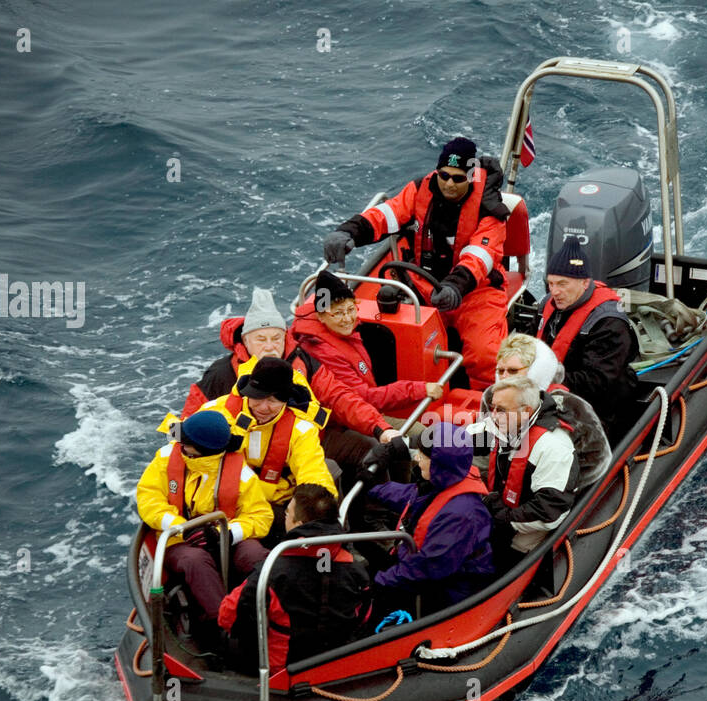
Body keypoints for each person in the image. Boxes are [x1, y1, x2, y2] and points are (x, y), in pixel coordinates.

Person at [322, 136, 510, 391]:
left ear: (471, 176)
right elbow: (387, 214)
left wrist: (454, 287)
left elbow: (479, 257)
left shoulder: (490, 210)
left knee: (486, 354)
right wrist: (349, 232)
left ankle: (490, 406)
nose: (448, 184)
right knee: (378, 331)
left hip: (476, 292)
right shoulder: (421, 189)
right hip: (422, 284)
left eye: (457, 178)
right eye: (443, 175)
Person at [180, 288, 404, 479]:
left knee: (371, 449)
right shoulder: (222, 374)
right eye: (261, 339)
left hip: (310, 442)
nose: (270, 346)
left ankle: (381, 515)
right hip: (248, 459)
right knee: (330, 471)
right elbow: (188, 422)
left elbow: (340, 397)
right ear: (245, 341)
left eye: (276, 338)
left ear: (284, 337)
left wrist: (381, 429)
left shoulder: (303, 361)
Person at [134, 410, 273, 646]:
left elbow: (261, 516)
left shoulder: (241, 474)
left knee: (255, 556)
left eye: (187, 443)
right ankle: (225, 627)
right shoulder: (166, 459)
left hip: (226, 538)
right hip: (179, 540)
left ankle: (274, 612)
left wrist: (227, 534)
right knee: (195, 561)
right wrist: (182, 527)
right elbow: (148, 500)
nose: (181, 445)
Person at [218, 484, 372, 673]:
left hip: (282, 671)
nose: (284, 515)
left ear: (298, 524)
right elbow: (364, 617)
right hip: (338, 667)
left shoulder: (272, 572)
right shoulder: (357, 571)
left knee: (227, 642)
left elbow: (227, 616)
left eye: (287, 512)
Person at [198, 356, 337, 541]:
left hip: (273, 504)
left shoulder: (301, 429)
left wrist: (316, 518)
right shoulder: (213, 413)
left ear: (286, 399)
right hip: (220, 501)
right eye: (258, 397)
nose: (263, 407)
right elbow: (180, 449)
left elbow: (314, 474)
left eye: (272, 400)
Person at [365, 422, 495, 614]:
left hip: (454, 594)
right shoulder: (449, 478)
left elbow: (427, 567)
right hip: (431, 571)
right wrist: (372, 487)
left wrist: (376, 584)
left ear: (439, 464)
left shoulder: (460, 515)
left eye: (422, 456)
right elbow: (411, 496)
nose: (416, 458)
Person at [290, 271, 443, 429]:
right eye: (338, 313)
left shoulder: (339, 333)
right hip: (345, 422)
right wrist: (418, 389)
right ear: (320, 317)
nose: (348, 319)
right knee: (421, 433)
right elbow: (363, 397)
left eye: (350, 309)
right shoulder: (323, 351)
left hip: (361, 410)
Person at [536, 236, 640, 433]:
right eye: (550, 284)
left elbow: (597, 381)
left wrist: (542, 379)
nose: (554, 292)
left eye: (562, 284)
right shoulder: (547, 306)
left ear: (584, 283)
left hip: (599, 408)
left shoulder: (608, 323)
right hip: (551, 395)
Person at [482, 375, 579, 558]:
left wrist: (500, 519)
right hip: (501, 512)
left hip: (523, 533)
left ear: (526, 411)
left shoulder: (553, 447)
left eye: (500, 410)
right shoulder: (507, 423)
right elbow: (470, 438)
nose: (493, 415)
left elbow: (549, 511)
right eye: (492, 407)